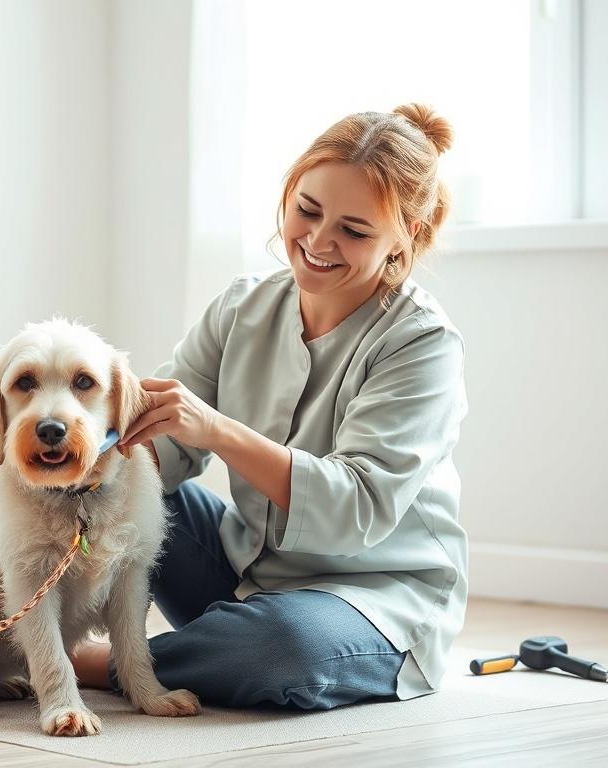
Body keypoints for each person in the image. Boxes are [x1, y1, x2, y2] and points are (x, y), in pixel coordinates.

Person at [70, 103, 468, 710]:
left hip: (371, 602)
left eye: (354, 231)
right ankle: (17, 634)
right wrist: (83, 458)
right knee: (114, 487)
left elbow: (357, 507)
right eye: (307, 210)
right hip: (241, 569)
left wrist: (220, 432)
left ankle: (110, 664)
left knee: (284, 649)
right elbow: (164, 449)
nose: (317, 241)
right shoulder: (241, 306)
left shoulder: (421, 345)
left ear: (404, 239)